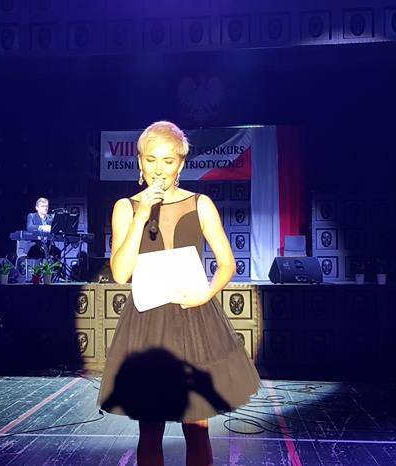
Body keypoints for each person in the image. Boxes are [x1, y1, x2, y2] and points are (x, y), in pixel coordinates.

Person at [98, 121, 261, 466]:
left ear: (181, 163)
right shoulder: (125, 207)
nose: (159, 169)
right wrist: (142, 215)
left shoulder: (200, 204)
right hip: (148, 324)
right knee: (150, 427)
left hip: (194, 319)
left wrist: (206, 294)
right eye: (151, 160)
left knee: (197, 426)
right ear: (139, 161)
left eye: (168, 161)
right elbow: (120, 273)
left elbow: (227, 264)